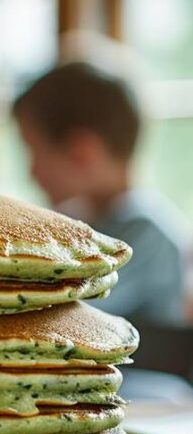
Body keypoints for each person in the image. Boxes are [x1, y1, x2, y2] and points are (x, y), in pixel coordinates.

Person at [12, 61, 190, 325]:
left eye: (34, 152)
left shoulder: (148, 234)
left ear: (82, 153)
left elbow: (64, 308)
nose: (32, 172)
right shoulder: (84, 220)